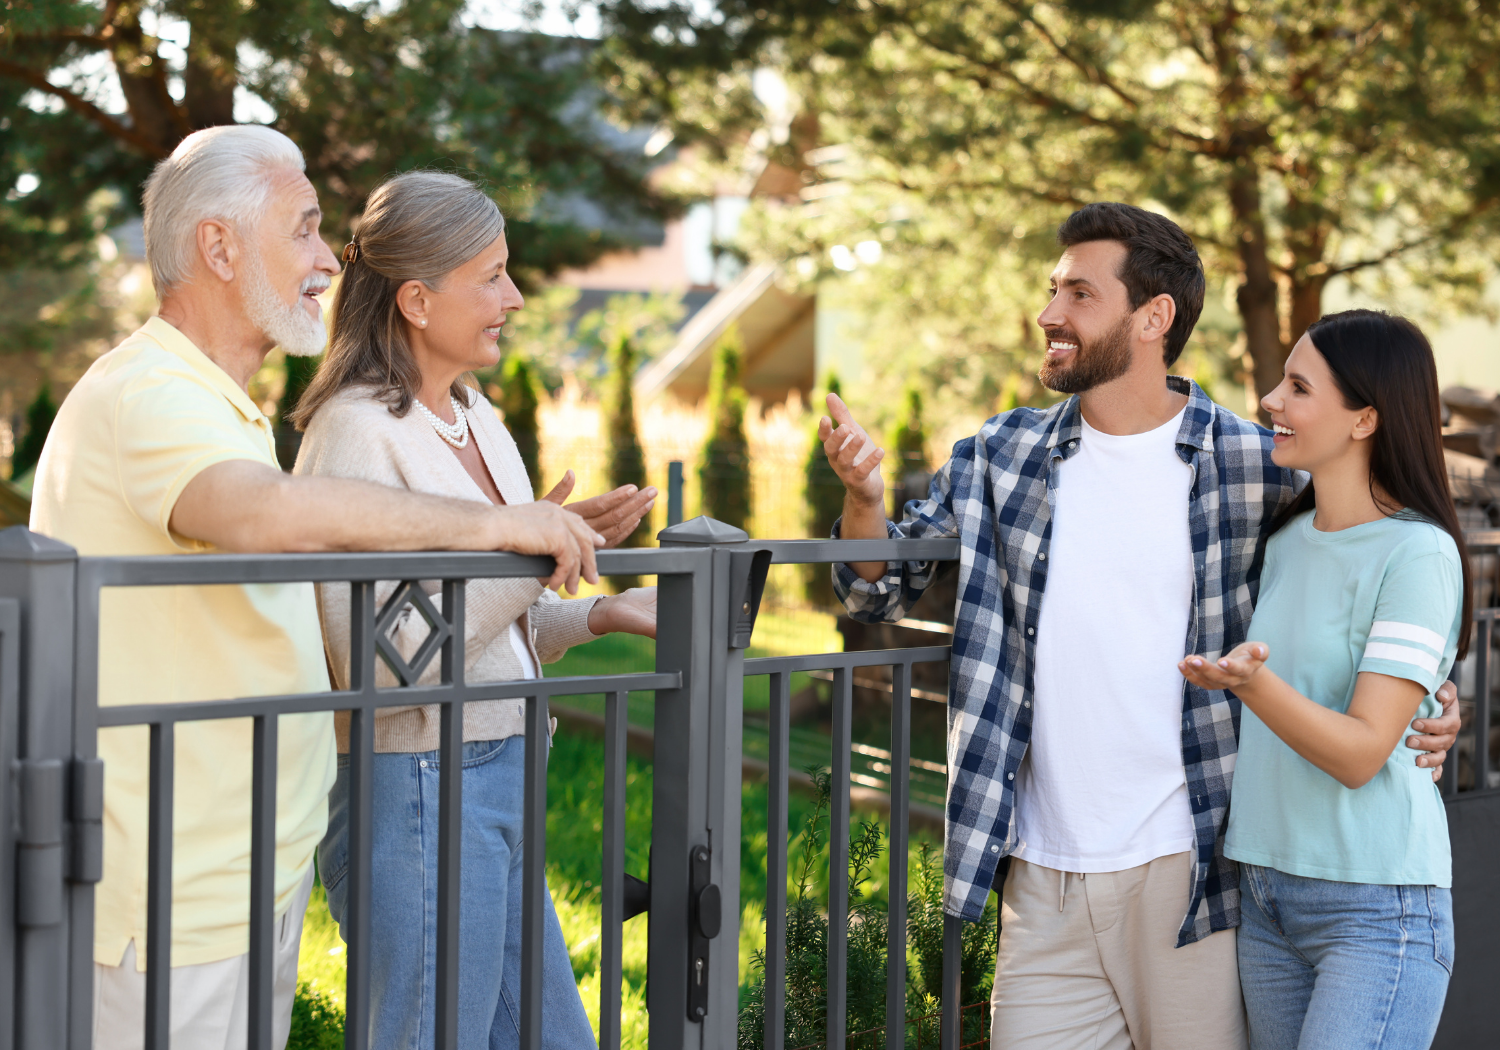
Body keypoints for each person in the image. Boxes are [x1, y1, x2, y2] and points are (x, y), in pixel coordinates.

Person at [815, 202, 1460, 1050]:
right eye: (1053, 290)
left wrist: (1430, 698)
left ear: (1153, 317)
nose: (1049, 313)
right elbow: (878, 589)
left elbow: (1372, 571)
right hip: (1040, 872)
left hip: (1192, 875)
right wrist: (864, 503)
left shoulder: (1251, 463)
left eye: (1080, 293)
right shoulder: (998, 456)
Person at [29, 125, 612, 1050]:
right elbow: (268, 518)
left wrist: (586, 599)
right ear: (219, 246)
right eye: (303, 229)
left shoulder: (222, 409)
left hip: (242, 872)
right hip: (169, 893)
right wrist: (503, 531)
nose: (329, 261)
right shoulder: (152, 396)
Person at [291, 170, 655, 1050]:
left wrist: (595, 612)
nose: (515, 296)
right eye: (490, 275)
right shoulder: (354, 433)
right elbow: (387, 662)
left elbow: (491, 635)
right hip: (417, 786)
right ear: (417, 299)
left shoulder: (476, 419)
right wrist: (535, 555)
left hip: (501, 773)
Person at [1180, 311, 1466, 1050]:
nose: (1271, 400)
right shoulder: (1283, 542)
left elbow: (1362, 752)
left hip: (1375, 908)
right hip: (1266, 895)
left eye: (1298, 387)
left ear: (1365, 418)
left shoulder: (1418, 555)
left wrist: (1250, 685)